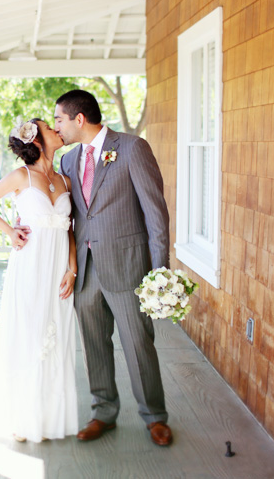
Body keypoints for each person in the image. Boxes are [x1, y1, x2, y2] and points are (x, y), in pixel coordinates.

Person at [53, 89, 173, 446]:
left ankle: (154, 416)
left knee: (138, 344)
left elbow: (156, 215)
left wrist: (159, 273)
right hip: (86, 273)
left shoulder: (133, 148)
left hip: (129, 268)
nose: (57, 126)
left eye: (59, 119)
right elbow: (72, 216)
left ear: (79, 119)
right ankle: (103, 412)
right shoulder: (68, 160)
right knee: (93, 346)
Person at [0, 118, 78, 443]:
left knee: (56, 336)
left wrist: (72, 269)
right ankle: (22, 416)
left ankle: (48, 417)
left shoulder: (64, 179)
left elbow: (71, 228)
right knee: (28, 334)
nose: (56, 129)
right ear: (36, 141)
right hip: (30, 266)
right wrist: (9, 231)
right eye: (49, 127)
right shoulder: (21, 176)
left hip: (59, 268)